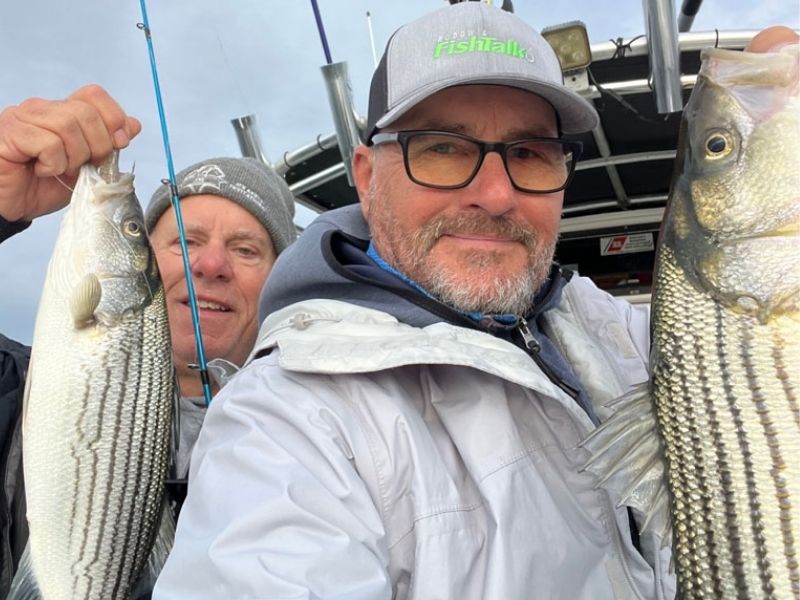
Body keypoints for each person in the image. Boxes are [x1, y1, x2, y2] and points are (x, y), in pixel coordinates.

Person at [153, 5, 800, 599]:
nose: (495, 194)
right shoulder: (284, 424)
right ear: (367, 174)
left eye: (531, 152)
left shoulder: (629, 334)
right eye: (442, 148)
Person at [0, 86, 297, 595]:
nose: (210, 266)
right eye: (184, 242)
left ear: (278, 280)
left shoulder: (323, 434)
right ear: (152, 265)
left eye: (246, 250)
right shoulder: (13, 384)